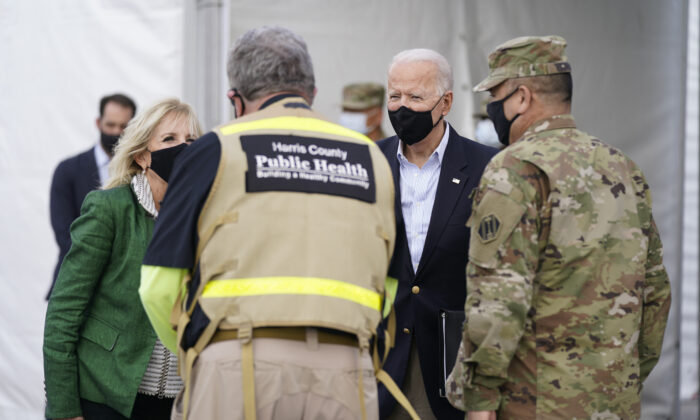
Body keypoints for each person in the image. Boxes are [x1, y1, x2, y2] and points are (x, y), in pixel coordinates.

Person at [138, 26, 397, 420]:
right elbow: (391, 283)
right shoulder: (372, 157)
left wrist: (194, 349)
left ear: (235, 100)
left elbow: (158, 284)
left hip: (236, 366)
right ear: (310, 92)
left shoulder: (215, 150)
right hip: (346, 371)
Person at [445, 35, 672, 420]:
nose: (493, 107)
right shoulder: (623, 168)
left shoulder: (514, 170)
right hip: (614, 402)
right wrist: (622, 380)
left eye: (496, 95)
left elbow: (499, 299)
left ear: (521, 98)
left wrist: (479, 399)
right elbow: (655, 293)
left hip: (534, 404)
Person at [43, 98, 202, 420]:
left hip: (180, 402)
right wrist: (64, 409)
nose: (183, 149)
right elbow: (64, 312)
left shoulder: (205, 218)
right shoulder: (109, 209)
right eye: (170, 139)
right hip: (108, 395)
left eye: (191, 141)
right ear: (143, 155)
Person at [375, 49, 498, 420]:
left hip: (452, 360)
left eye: (415, 97)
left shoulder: (487, 168)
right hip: (381, 358)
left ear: (445, 103)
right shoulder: (368, 163)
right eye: (394, 96)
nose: (402, 108)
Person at [47, 93, 137, 299]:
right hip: (75, 283)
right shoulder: (68, 171)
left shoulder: (143, 171)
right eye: (110, 125)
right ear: (98, 123)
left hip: (127, 289)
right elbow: (65, 233)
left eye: (123, 126)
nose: (116, 132)